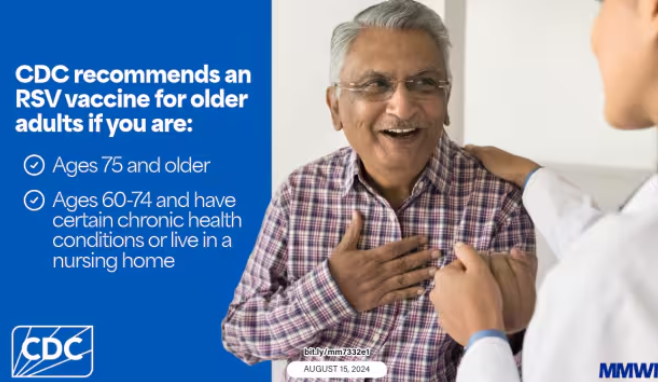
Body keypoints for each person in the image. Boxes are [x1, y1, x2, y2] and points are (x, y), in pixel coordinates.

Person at [221, 1, 537, 381]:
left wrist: (514, 336)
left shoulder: (498, 203)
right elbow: (239, 335)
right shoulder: (300, 192)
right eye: (376, 84)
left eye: (424, 83)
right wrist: (333, 291)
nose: (402, 107)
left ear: (447, 101)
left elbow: (520, 365)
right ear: (335, 106)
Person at [430, 0, 658, 380]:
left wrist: (483, 337)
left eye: (601, 6)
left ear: (655, 7)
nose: (594, 39)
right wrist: (532, 178)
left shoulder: (613, 276)